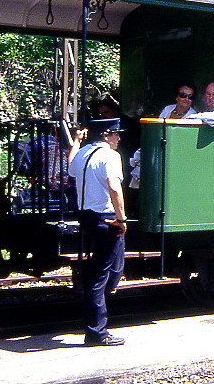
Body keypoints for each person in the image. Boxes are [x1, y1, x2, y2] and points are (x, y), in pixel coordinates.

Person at [68, 119, 127, 347]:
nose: (118, 138)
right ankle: (97, 333)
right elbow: (114, 187)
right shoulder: (111, 157)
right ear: (106, 135)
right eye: (116, 134)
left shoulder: (83, 153)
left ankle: (113, 280)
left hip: (87, 217)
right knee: (99, 276)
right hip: (105, 218)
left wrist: (75, 141)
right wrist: (122, 219)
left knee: (102, 268)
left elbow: (71, 166)